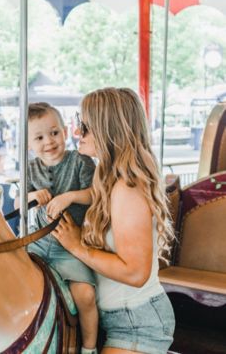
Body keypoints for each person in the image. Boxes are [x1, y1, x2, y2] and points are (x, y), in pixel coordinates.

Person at [53, 88, 175, 354]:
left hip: (136, 322)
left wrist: (77, 247)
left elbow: (135, 272)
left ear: (107, 129)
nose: (77, 133)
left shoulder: (128, 189)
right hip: (113, 316)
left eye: (84, 126)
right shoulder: (107, 178)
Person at [20, 102, 98, 354]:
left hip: (71, 246)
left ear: (65, 131)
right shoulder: (29, 169)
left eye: (54, 133)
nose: (49, 142)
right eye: (39, 137)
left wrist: (71, 196)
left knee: (84, 295)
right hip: (38, 242)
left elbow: (96, 194)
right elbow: (17, 201)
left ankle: (88, 347)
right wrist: (32, 197)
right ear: (29, 144)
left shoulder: (80, 161)